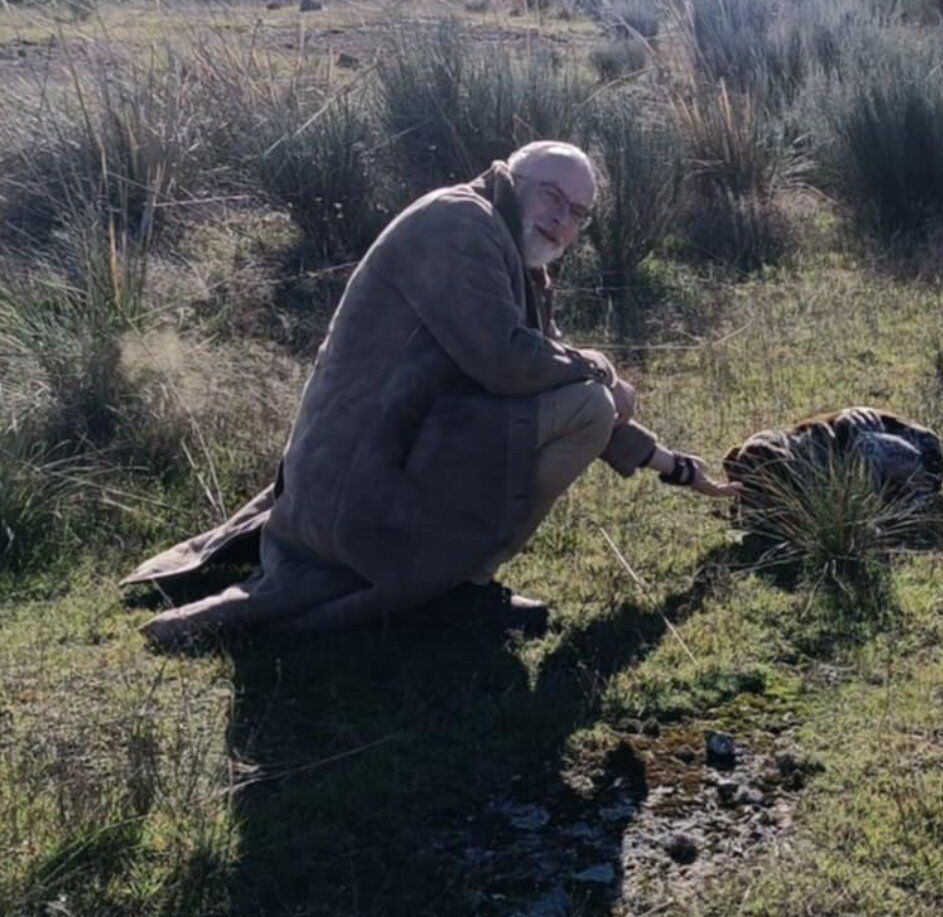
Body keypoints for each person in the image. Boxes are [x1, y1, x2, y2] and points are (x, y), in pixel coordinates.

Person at [127, 141, 740, 646]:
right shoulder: (459, 224)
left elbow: (544, 365)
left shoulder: (510, 249)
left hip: (400, 459)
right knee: (587, 405)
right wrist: (601, 367)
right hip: (358, 485)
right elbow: (508, 362)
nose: (564, 220)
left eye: (579, 213)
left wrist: (676, 468)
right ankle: (453, 590)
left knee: (584, 399)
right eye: (553, 197)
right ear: (514, 176)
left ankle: (448, 582)